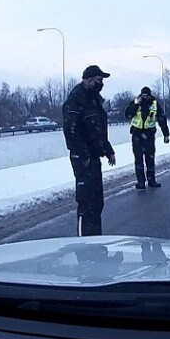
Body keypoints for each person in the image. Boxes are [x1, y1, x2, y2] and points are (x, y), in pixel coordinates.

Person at [62, 65, 116, 236]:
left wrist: (108, 149)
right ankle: (84, 242)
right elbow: (71, 131)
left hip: (94, 156)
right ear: (88, 80)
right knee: (86, 203)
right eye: (98, 80)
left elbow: (98, 129)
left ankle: (96, 240)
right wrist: (83, 155)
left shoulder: (95, 100)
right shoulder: (76, 100)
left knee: (97, 202)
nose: (101, 84)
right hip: (82, 157)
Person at [124, 86, 170, 189]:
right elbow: (127, 114)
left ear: (150, 95)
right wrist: (136, 104)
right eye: (143, 95)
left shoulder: (154, 104)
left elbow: (162, 119)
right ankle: (141, 182)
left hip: (149, 135)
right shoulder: (135, 103)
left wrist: (166, 134)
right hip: (137, 134)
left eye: (146, 96)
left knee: (150, 158)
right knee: (138, 159)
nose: (145, 98)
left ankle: (151, 180)